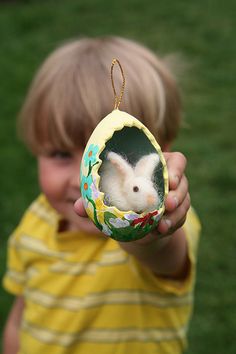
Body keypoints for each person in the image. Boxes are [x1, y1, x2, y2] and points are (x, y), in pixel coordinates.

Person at [2, 36, 201, 354]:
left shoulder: (165, 220)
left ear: (159, 154)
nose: (81, 181)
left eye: (94, 157)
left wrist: (145, 235)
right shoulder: (34, 224)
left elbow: (164, 254)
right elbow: (20, 316)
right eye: (59, 154)